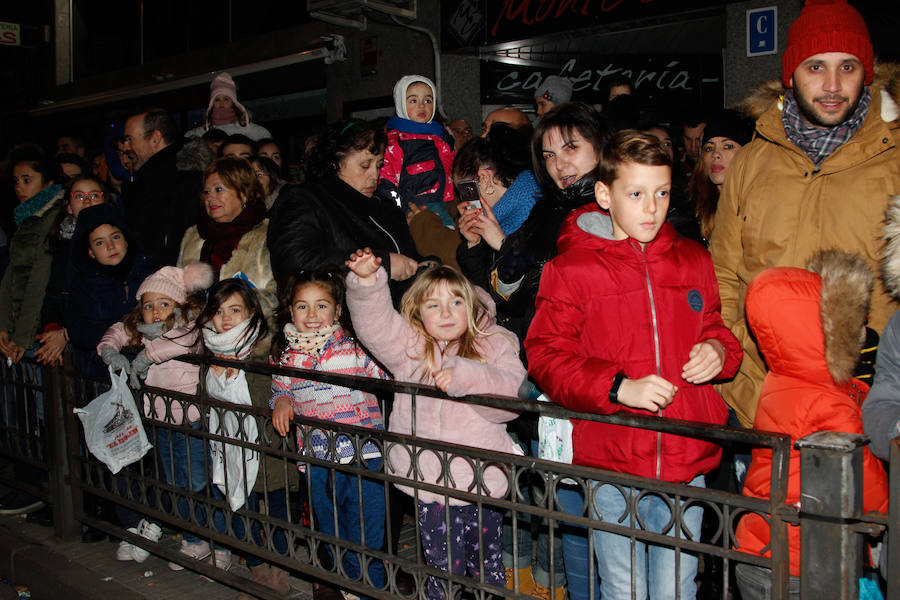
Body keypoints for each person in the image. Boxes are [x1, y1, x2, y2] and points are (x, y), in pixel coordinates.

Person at [525, 130, 742, 600]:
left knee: (679, 585)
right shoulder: (572, 269)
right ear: (605, 194)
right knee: (625, 586)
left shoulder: (692, 259)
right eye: (637, 193)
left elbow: (714, 327)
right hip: (614, 455)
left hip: (686, 456)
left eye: (662, 193)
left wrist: (719, 353)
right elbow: (545, 353)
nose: (652, 208)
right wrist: (618, 387)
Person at [710, 0, 900, 429]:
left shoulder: (894, 157)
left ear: (866, 72)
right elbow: (723, 274)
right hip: (765, 399)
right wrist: (747, 378)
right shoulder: (752, 161)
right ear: (790, 75)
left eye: (847, 67)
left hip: (868, 409)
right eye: (816, 67)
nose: (832, 85)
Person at [345, 253, 526, 600]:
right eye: (433, 305)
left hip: (481, 480)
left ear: (471, 306)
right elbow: (377, 326)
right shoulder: (411, 349)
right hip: (429, 481)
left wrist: (466, 376)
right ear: (417, 312)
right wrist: (368, 284)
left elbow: (509, 403)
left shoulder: (495, 343)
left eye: (455, 302)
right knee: (443, 566)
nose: (445, 313)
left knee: (487, 564)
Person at [734, 250, 888, 599]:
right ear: (823, 332)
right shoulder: (829, 403)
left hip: (758, 550)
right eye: (852, 323)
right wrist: (885, 512)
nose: (863, 330)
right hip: (802, 562)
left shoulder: (781, 379)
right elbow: (865, 483)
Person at [270, 270, 387, 600]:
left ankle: (371, 590)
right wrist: (280, 401)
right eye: (302, 307)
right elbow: (281, 390)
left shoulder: (353, 348)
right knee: (331, 528)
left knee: (368, 528)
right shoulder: (289, 357)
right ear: (291, 311)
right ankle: (349, 586)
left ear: (337, 311)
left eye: (321, 306)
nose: (311, 315)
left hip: (364, 454)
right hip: (318, 458)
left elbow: (386, 370)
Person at [97, 262, 213, 564]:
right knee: (174, 481)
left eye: (164, 303)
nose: (157, 311)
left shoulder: (188, 328)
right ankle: (192, 539)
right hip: (160, 421)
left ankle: (207, 539)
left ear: (180, 305)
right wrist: (111, 351)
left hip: (191, 418)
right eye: (149, 306)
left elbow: (181, 341)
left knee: (197, 482)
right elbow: (115, 332)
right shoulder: (147, 332)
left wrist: (145, 358)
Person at [266, 120, 420, 304]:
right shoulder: (305, 199)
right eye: (364, 165)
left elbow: (410, 261)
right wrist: (380, 264)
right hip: (338, 322)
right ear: (335, 162)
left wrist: (427, 264)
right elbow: (293, 259)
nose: (374, 175)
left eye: (378, 165)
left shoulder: (387, 208)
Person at [0, 147, 63, 517]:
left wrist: (21, 337)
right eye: (17, 181)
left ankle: (48, 490)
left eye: (28, 180)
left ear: (49, 183)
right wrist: (3, 327)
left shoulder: (50, 218)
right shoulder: (27, 218)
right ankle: (31, 484)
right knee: (19, 412)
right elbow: (11, 278)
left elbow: (39, 281)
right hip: (21, 331)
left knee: (43, 413)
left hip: (36, 333)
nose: (21, 188)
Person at [177, 157, 277, 317]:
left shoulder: (268, 233)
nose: (210, 198)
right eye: (206, 192)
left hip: (251, 332)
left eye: (219, 189)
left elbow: (278, 294)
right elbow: (177, 291)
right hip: (196, 333)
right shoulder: (193, 236)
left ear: (244, 194)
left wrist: (239, 308)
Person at [37, 174, 115, 368]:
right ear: (68, 206)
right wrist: (53, 329)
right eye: (79, 196)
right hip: (74, 351)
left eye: (94, 195)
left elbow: (111, 304)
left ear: (105, 200)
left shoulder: (118, 245)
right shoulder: (63, 248)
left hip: (106, 346)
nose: (87, 200)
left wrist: (68, 333)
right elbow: (53, 296)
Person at [121, 108, 202, 266]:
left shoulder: (183, 179)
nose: (125, 147)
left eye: (129, 139)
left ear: (155, 138)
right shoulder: (147, 180)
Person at [378, 75, 456, 227]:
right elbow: (387, 180)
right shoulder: (395, 139)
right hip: (417, 207)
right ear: (400, 103)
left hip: (446, 201)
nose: (422, 106)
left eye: (428, 100)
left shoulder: (441, 135)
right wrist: (397, 212)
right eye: (413, 100)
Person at [684, 110, 754, 243]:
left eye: (727, 146)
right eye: (709, 148)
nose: (716, 154)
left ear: (747, 153)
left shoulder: (761, 205)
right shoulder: (690, 210)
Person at [186, 72, 272, 141]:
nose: (221, 103)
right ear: (211, 103)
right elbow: (187, 138)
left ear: (233, 102)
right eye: (217, 99)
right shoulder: (205, 130)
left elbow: (265, 137)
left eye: (226, 99)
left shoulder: (245, 128)